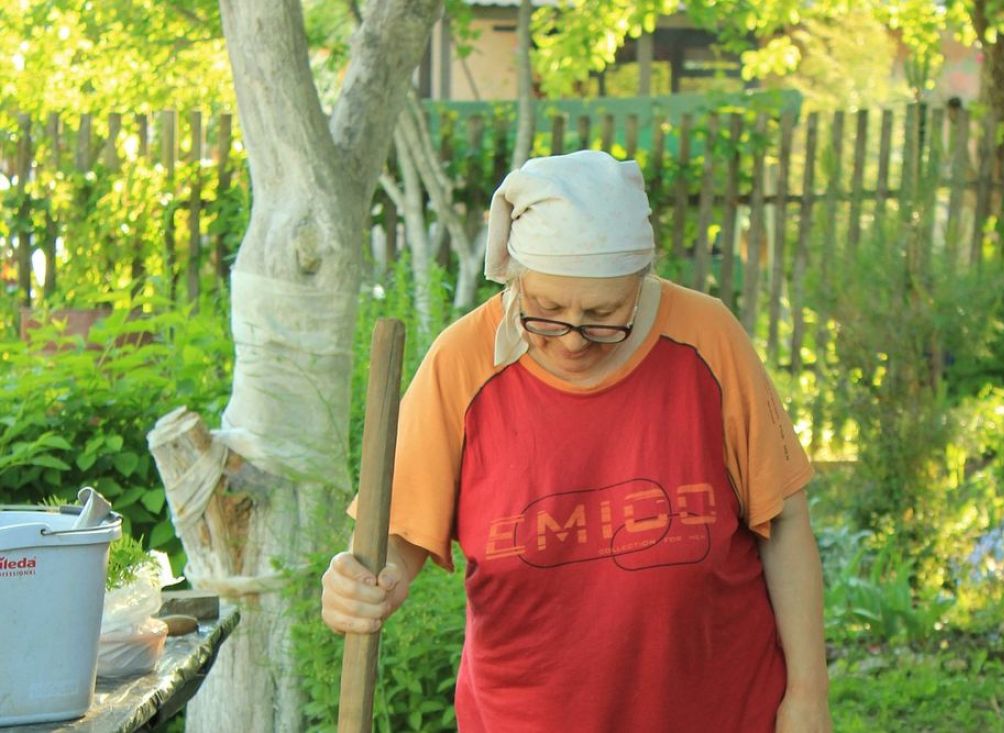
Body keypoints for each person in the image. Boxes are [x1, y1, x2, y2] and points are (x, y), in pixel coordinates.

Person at [322, 150, 831, 732]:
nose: (571, 340)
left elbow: (784, 520)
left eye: (602, 316)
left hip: (719, 709)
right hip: (526, 715)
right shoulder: (462, 364)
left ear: (642, 284)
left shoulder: (707, 339)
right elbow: (400, 533)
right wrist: (364, 581)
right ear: (513, 278)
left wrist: (808, 698)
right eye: (545, 311)